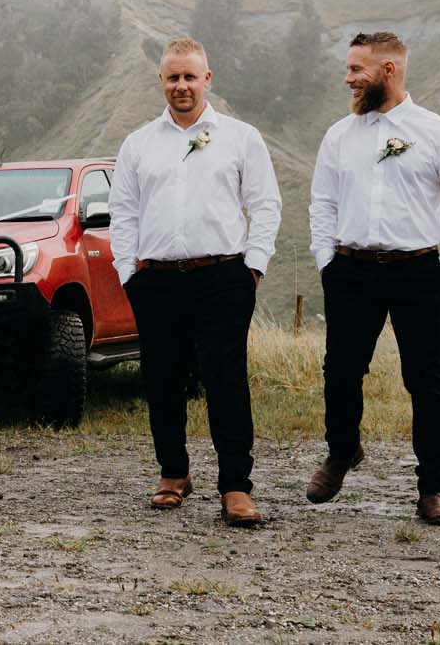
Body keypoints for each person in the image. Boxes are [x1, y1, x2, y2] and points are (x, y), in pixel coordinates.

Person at [306, 32, 440, 527]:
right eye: (347, 68)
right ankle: (342, 451)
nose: (347, 78)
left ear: (388, 70)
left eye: (356, 69)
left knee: (426, 380)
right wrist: (326, 260)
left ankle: (434, 490)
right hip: (350, 270)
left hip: (419, 271)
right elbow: (322, 203)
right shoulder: (339, 135)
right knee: (341, 370)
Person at [107, 39, 281, 527]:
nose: (180, 86)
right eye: (172, 77)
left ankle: (236, 486)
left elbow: (265, 204)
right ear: (161, 81)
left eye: (189, 77)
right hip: (156, 279)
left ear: (207, 79)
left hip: (223, 275)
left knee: (226, 379)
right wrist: (127, 273)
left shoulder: (241, 137)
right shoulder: (138, 143)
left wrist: (253, 268)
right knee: (161, 378)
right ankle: (173, 473)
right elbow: (123, 212)